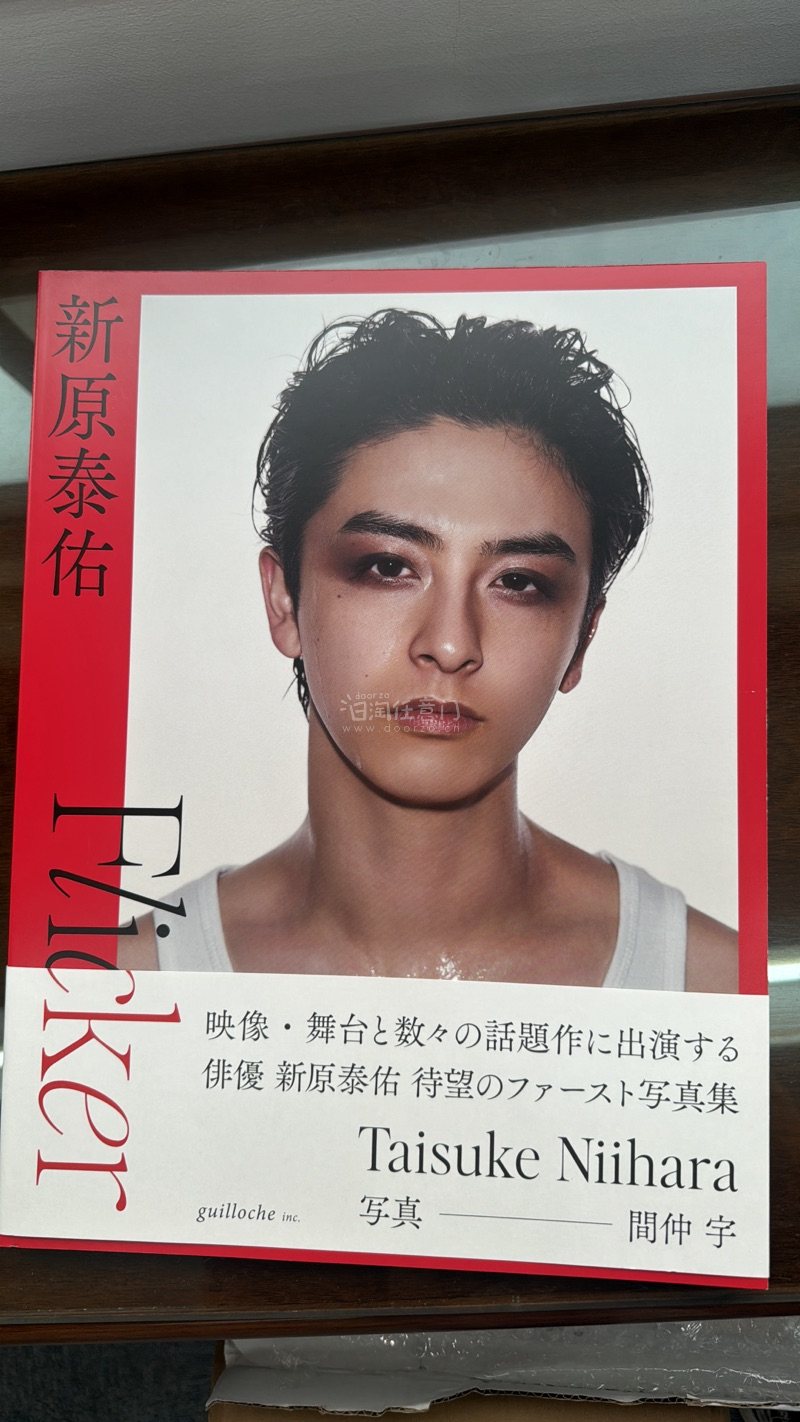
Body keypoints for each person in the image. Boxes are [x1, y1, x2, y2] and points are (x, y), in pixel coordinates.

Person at [120, 308, 738, 990]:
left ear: (583, 635)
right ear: (284, 600)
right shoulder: (120, 984)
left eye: (519, 582)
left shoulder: (712, 986)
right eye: (389, 566)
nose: (449, 644)